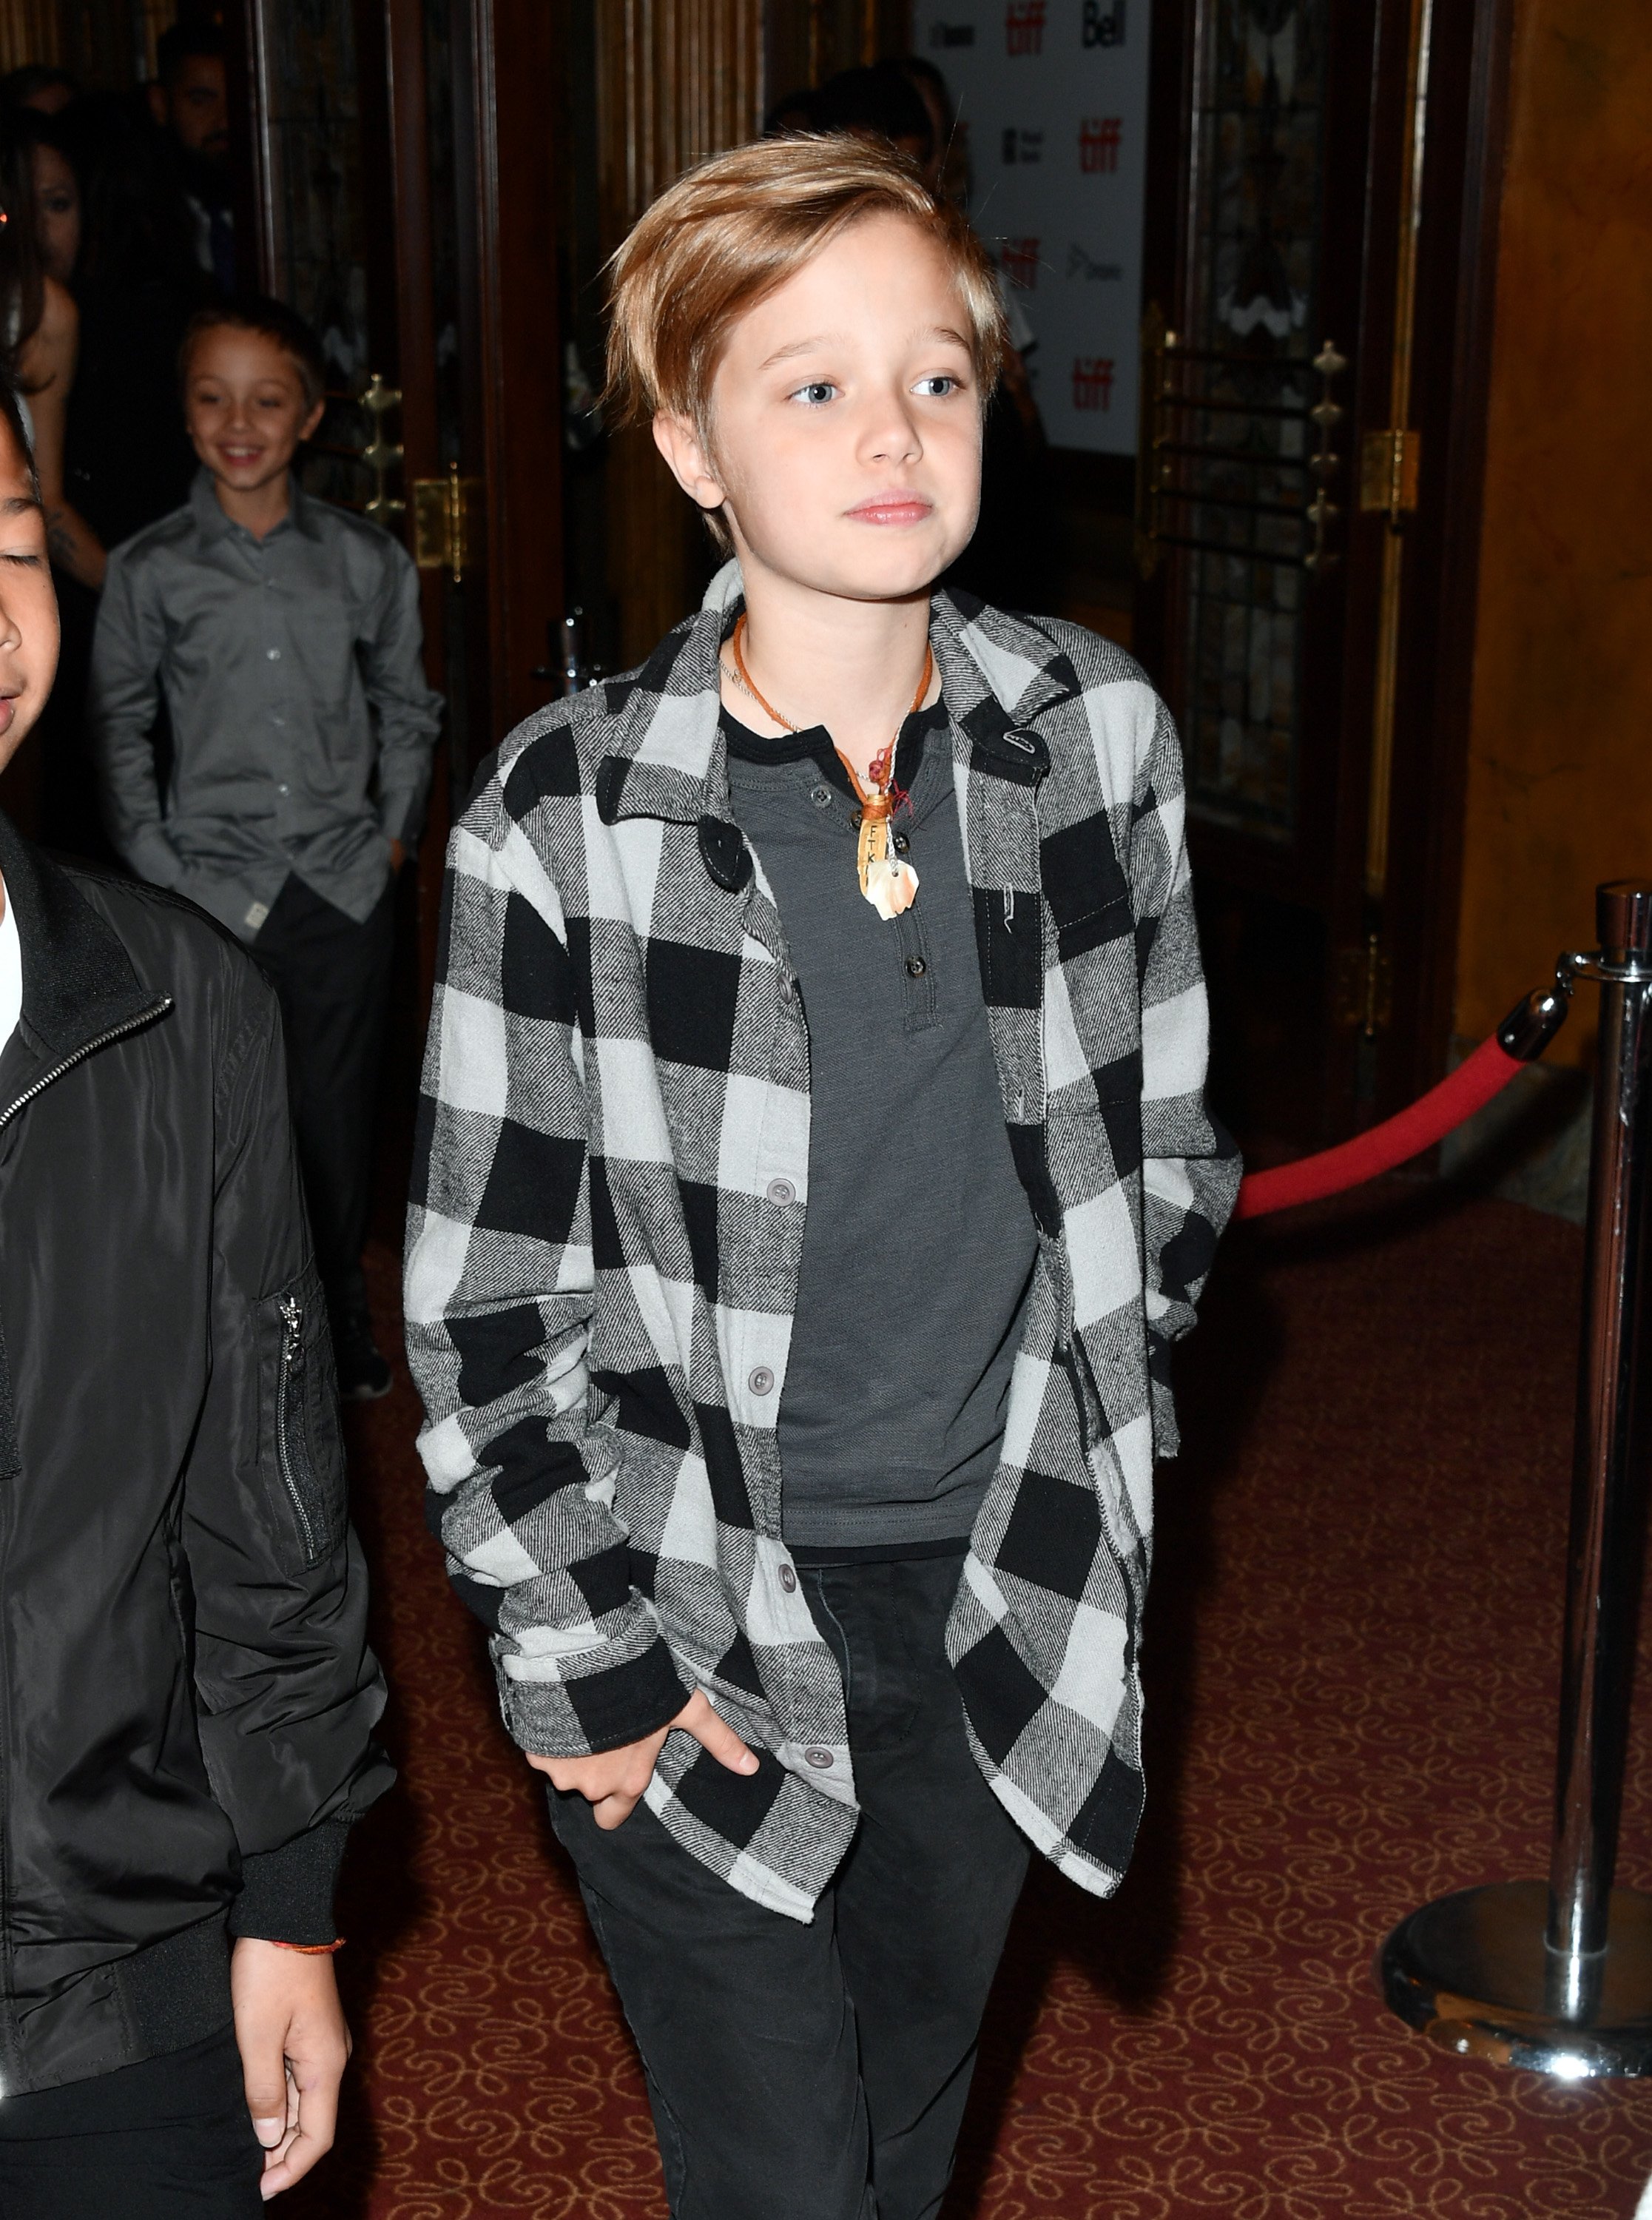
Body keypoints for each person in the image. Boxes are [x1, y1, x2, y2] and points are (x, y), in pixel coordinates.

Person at [405, 134, 1236, 2220]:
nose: (893, 431)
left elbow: (1167, 1146)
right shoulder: (565, 811)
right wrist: (581, 1651)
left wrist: (1106, 1418)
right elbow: (482, 1300)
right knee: (780, 2175)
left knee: (898, 2134)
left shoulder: (1096, 734)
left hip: (999, 1581)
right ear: (691, 443)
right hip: (689, 1602)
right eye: (810, 385)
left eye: (937, 376)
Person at [0, 373, 392, 2213]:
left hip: (118, 1970)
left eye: (6, 545)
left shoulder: (176, 1010)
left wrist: (291, 1900)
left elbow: (270, 1508)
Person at [92, 297, 442, 1401]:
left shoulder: (363, 558)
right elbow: (117, 724)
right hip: (206, 889)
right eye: (212, 397)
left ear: (309, 416)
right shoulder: (150, 570)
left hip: (340, 887)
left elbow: (407, 706)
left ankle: (335, 1310)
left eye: (266, 398)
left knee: (336, 1121)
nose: (238, 421)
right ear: (186, 413)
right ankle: (237, 1329)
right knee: (225, 1122)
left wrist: (392, 837)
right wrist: (157, 866)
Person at [149, 19, 234, 297]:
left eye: (235, 100)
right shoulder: (146, 228)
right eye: (201, 101)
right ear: (161, 105)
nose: (223, 121)